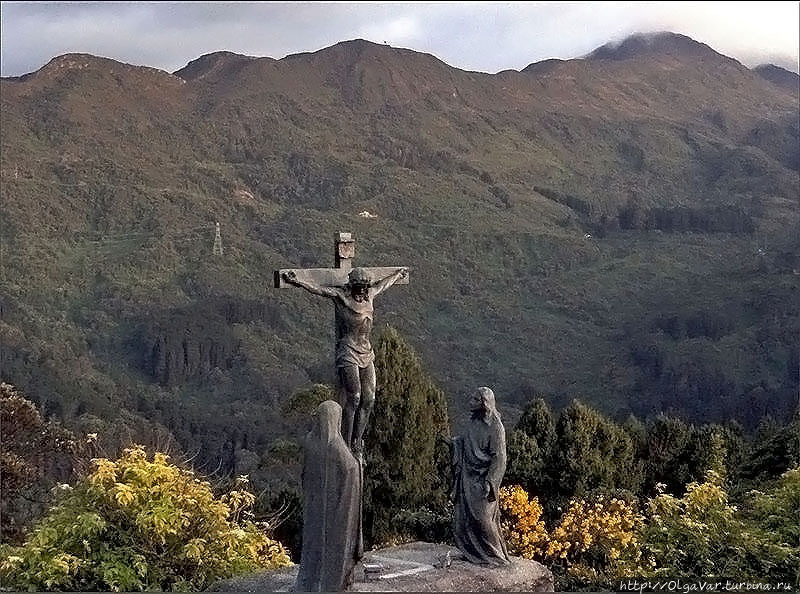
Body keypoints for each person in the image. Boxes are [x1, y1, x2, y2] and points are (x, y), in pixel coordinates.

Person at [282, 266, 408, 458]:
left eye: (366, 288)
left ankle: (357, 441)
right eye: (360, 288)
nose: (363, 292)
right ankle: (346, 442)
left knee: (370, 399)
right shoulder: (342, 298)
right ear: (352, 286)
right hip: (348, 350)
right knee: (355, 396)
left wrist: (398, 274)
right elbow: (320, 290)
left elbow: (384, 285)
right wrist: (298, 280)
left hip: (367, 352)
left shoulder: (370, 296)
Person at [294, 400, 363, 592]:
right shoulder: (337, 448)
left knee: (312, 549)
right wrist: (359, 460)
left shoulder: (310, 442)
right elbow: (351, 469)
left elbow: (305, 475)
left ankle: (311, 583)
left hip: (313, 512)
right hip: (336, 516)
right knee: (334, 550)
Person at [451, 386, 510, 566]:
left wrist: (490, 481)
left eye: (476, 400)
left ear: (485, 404)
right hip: (468, 477)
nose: (471, 402)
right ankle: (472, 551)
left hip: (484, 480)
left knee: (483, 519)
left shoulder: (496, 427)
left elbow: (499, 458)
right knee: (464, 519)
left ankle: (495, 557)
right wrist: (453, 444)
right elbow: (464, 441)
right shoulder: (473, 423)